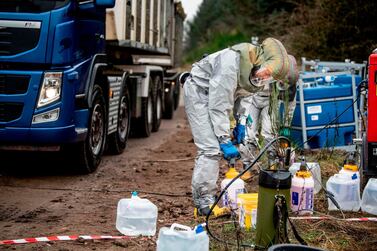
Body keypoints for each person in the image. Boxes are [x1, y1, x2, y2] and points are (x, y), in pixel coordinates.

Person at [183, 38, 290, 216]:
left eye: (269, 77)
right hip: (199, 93)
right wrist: (224, 139)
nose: (265, 78)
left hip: (217, 96)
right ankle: (203, 202)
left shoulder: (255, 72)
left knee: (215, 144)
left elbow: (246, 96)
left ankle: (208, 197)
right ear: (262, 59)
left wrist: (241, 123)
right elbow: (219, 106)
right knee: (210, 148)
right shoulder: (231, 63)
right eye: (266, 72)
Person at [238, 55, 299, 169]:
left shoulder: (291, 82)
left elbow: (290, 106)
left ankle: (272, 163)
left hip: (271, 100)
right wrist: (241, 118)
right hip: (251, 97)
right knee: (249, 133)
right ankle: (247, 165)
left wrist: (286, 125)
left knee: (269, 132)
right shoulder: (260, 64)